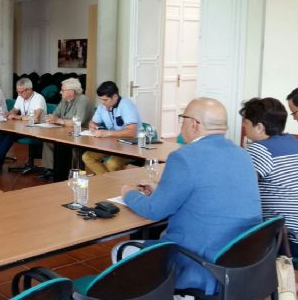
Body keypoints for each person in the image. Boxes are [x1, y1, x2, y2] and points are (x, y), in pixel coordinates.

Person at [118, 97, 262, 295]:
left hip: (198, 261)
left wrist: (128, 194)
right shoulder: (243, 154)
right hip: (239, 258)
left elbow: (153, 210)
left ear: (194, 124)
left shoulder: (184, 158)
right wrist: (163, 189)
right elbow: (210, 191)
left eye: (182, 118)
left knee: (121, 250)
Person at [240, 97, 298, 255]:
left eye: (245, 123)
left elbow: (239, 189)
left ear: (259, 127)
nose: (244, 128)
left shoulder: (260, 150)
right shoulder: (293, 142)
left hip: (286, 237)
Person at [0, 77, 46, 174]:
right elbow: (15, 109)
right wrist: (8, 114)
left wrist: (18, 117)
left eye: (21, 92)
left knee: (11, 134)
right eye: (17, 92)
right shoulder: (21, 97)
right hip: (24, 127)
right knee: (3, 132)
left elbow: (35, 118)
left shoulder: (38, 98)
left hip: (37, 129)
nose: (19, 94)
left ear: (29, 90)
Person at [39, 78, 94, 180]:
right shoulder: (64, 100)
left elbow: (78, 122)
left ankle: (73, 172)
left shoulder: (83, 100)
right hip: (66, 131)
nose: (60, 92)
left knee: (70, 145)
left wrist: (59, 121)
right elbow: (55, 114)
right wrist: (50, 118)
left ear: (72, 91)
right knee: (48, 140)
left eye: (63, 90)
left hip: (81, 134)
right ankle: (52, 170)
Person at [83, 81, 142, 175]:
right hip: (113, 143)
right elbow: (93, 122)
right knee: (87, 157)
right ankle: (108, 182)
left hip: (132, 145)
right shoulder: (102, 106)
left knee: (112, 163)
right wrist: (93, 126)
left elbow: (132, 132)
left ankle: (112, 185)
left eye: (105, 100)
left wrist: (107, 133)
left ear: (115, 96)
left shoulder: (126, 105)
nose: (102, 102)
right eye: (101, 99)